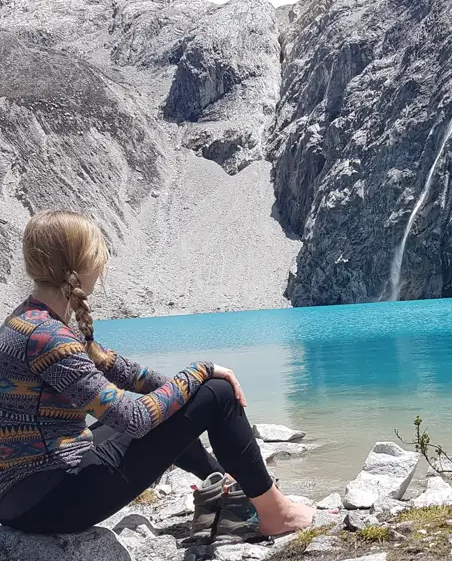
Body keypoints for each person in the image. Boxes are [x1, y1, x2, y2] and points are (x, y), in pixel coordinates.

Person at [0, 210, 314, 538]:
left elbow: (123, 370)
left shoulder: (27, 320)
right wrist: (202, 374)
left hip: (20, 498)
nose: (103, 265)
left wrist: (193, 393)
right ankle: (277, 514)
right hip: (51, 503)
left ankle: (223, 485)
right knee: (219, 394)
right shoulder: (49, 338)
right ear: (81, 265)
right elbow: (134, 419)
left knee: (187, 399)